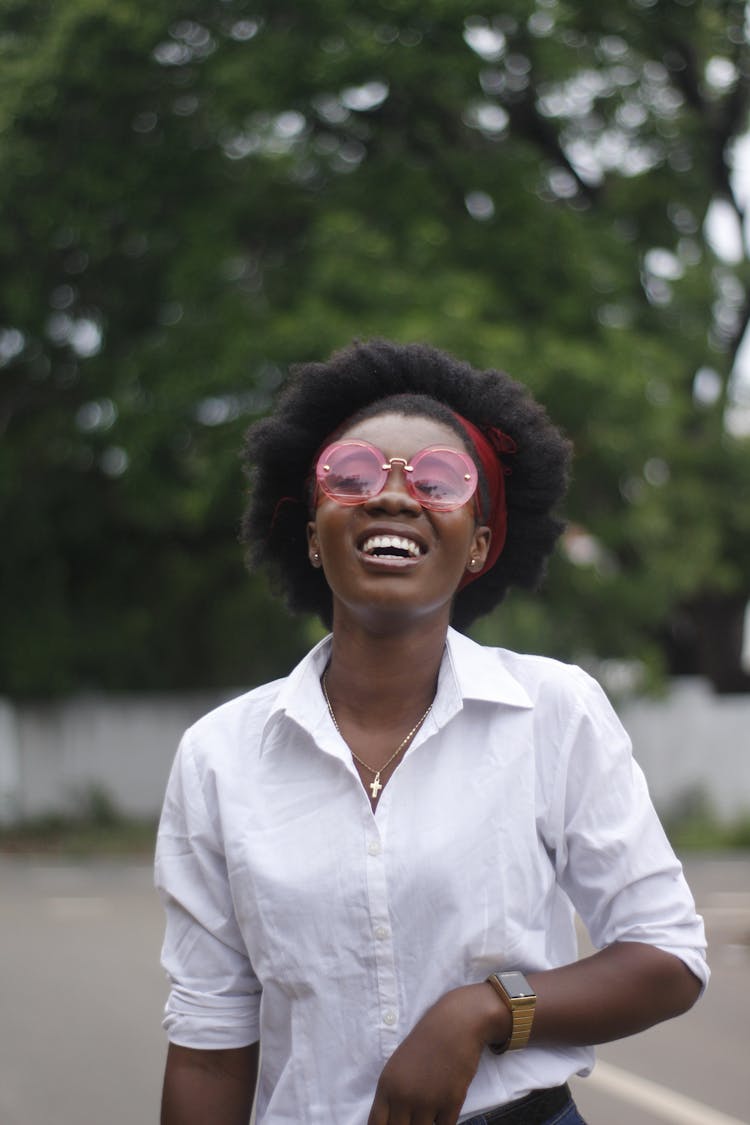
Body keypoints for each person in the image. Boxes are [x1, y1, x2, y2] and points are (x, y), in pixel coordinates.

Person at [155, 339, 708, 1125]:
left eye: (438, 481)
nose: (393, 495)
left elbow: (668, 956)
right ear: (313, 532)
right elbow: (210, 1045)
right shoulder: (220, 755)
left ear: (479, 544)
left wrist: (484, 1010)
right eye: (352, 475)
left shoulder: (554, 709)